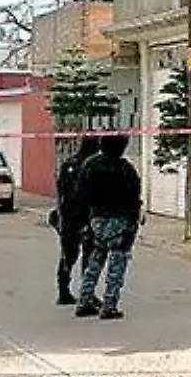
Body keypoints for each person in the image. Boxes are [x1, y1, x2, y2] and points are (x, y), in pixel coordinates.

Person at [73, 134, 141, 321]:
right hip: (120, 219)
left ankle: (84, 300)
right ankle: (109, 305)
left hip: (96, 219)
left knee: (95, 260)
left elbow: (80, 193)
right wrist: (134, 221)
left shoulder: (90, 166)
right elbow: (134, 196)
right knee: (117, 263)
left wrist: (85, 220)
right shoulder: (125, 168)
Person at [53, 136, 100, 305]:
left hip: (68, 216)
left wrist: (59, 215)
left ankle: (63, 291)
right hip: (87, 216)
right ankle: (88, 293)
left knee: (68, 254)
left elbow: (59, 191)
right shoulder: (93, 166)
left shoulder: (68, 163)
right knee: (89, 255)